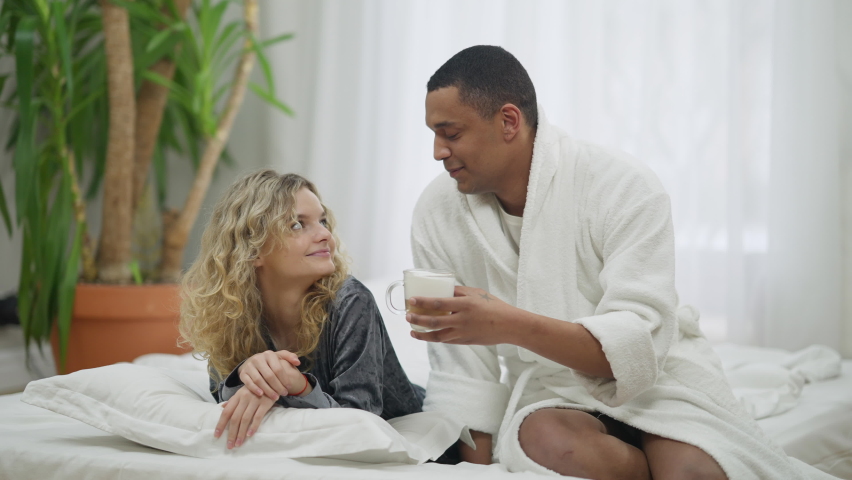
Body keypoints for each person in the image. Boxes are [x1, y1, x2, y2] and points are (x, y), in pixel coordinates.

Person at [408, 46, 824, 479]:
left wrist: (508, 324)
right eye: (434, 135)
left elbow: (634, 348)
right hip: (552, 393)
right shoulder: (438, 212)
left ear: (509, 121)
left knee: (689, 471)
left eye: (450, 133)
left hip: (659, 380)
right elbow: (464, 376)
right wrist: (472, 474)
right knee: (549, 441)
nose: (438, 151)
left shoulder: (621, 185)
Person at [179, 170, 424, 451]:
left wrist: (296, 385)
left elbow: (360, 419)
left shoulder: (350, 300)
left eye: (323, 221)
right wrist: (249, 376)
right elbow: (221, 394)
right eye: (297, 225)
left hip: (419, 435)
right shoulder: (232, 310)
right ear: (252, 250)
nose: (325, 234)